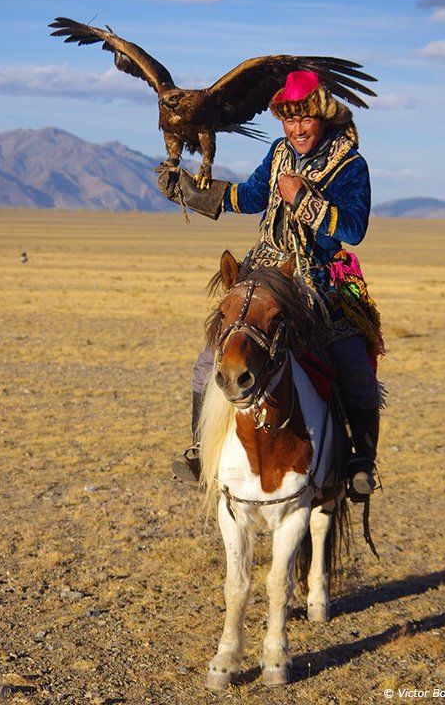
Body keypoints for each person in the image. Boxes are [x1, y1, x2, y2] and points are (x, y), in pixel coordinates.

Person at [158, 70, 384, 497]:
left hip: (317, 278)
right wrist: (190, 191)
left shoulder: (351, 165)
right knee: (209, 361)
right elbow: (250, 196)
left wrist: (304, 199)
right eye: (289, 120)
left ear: (323, 117)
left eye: (305, 119)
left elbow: (354, 229)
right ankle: (200, 450)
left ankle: (360, 461)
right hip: (263, 270)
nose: (297, 129)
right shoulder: (279, 151)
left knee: (355, 367)